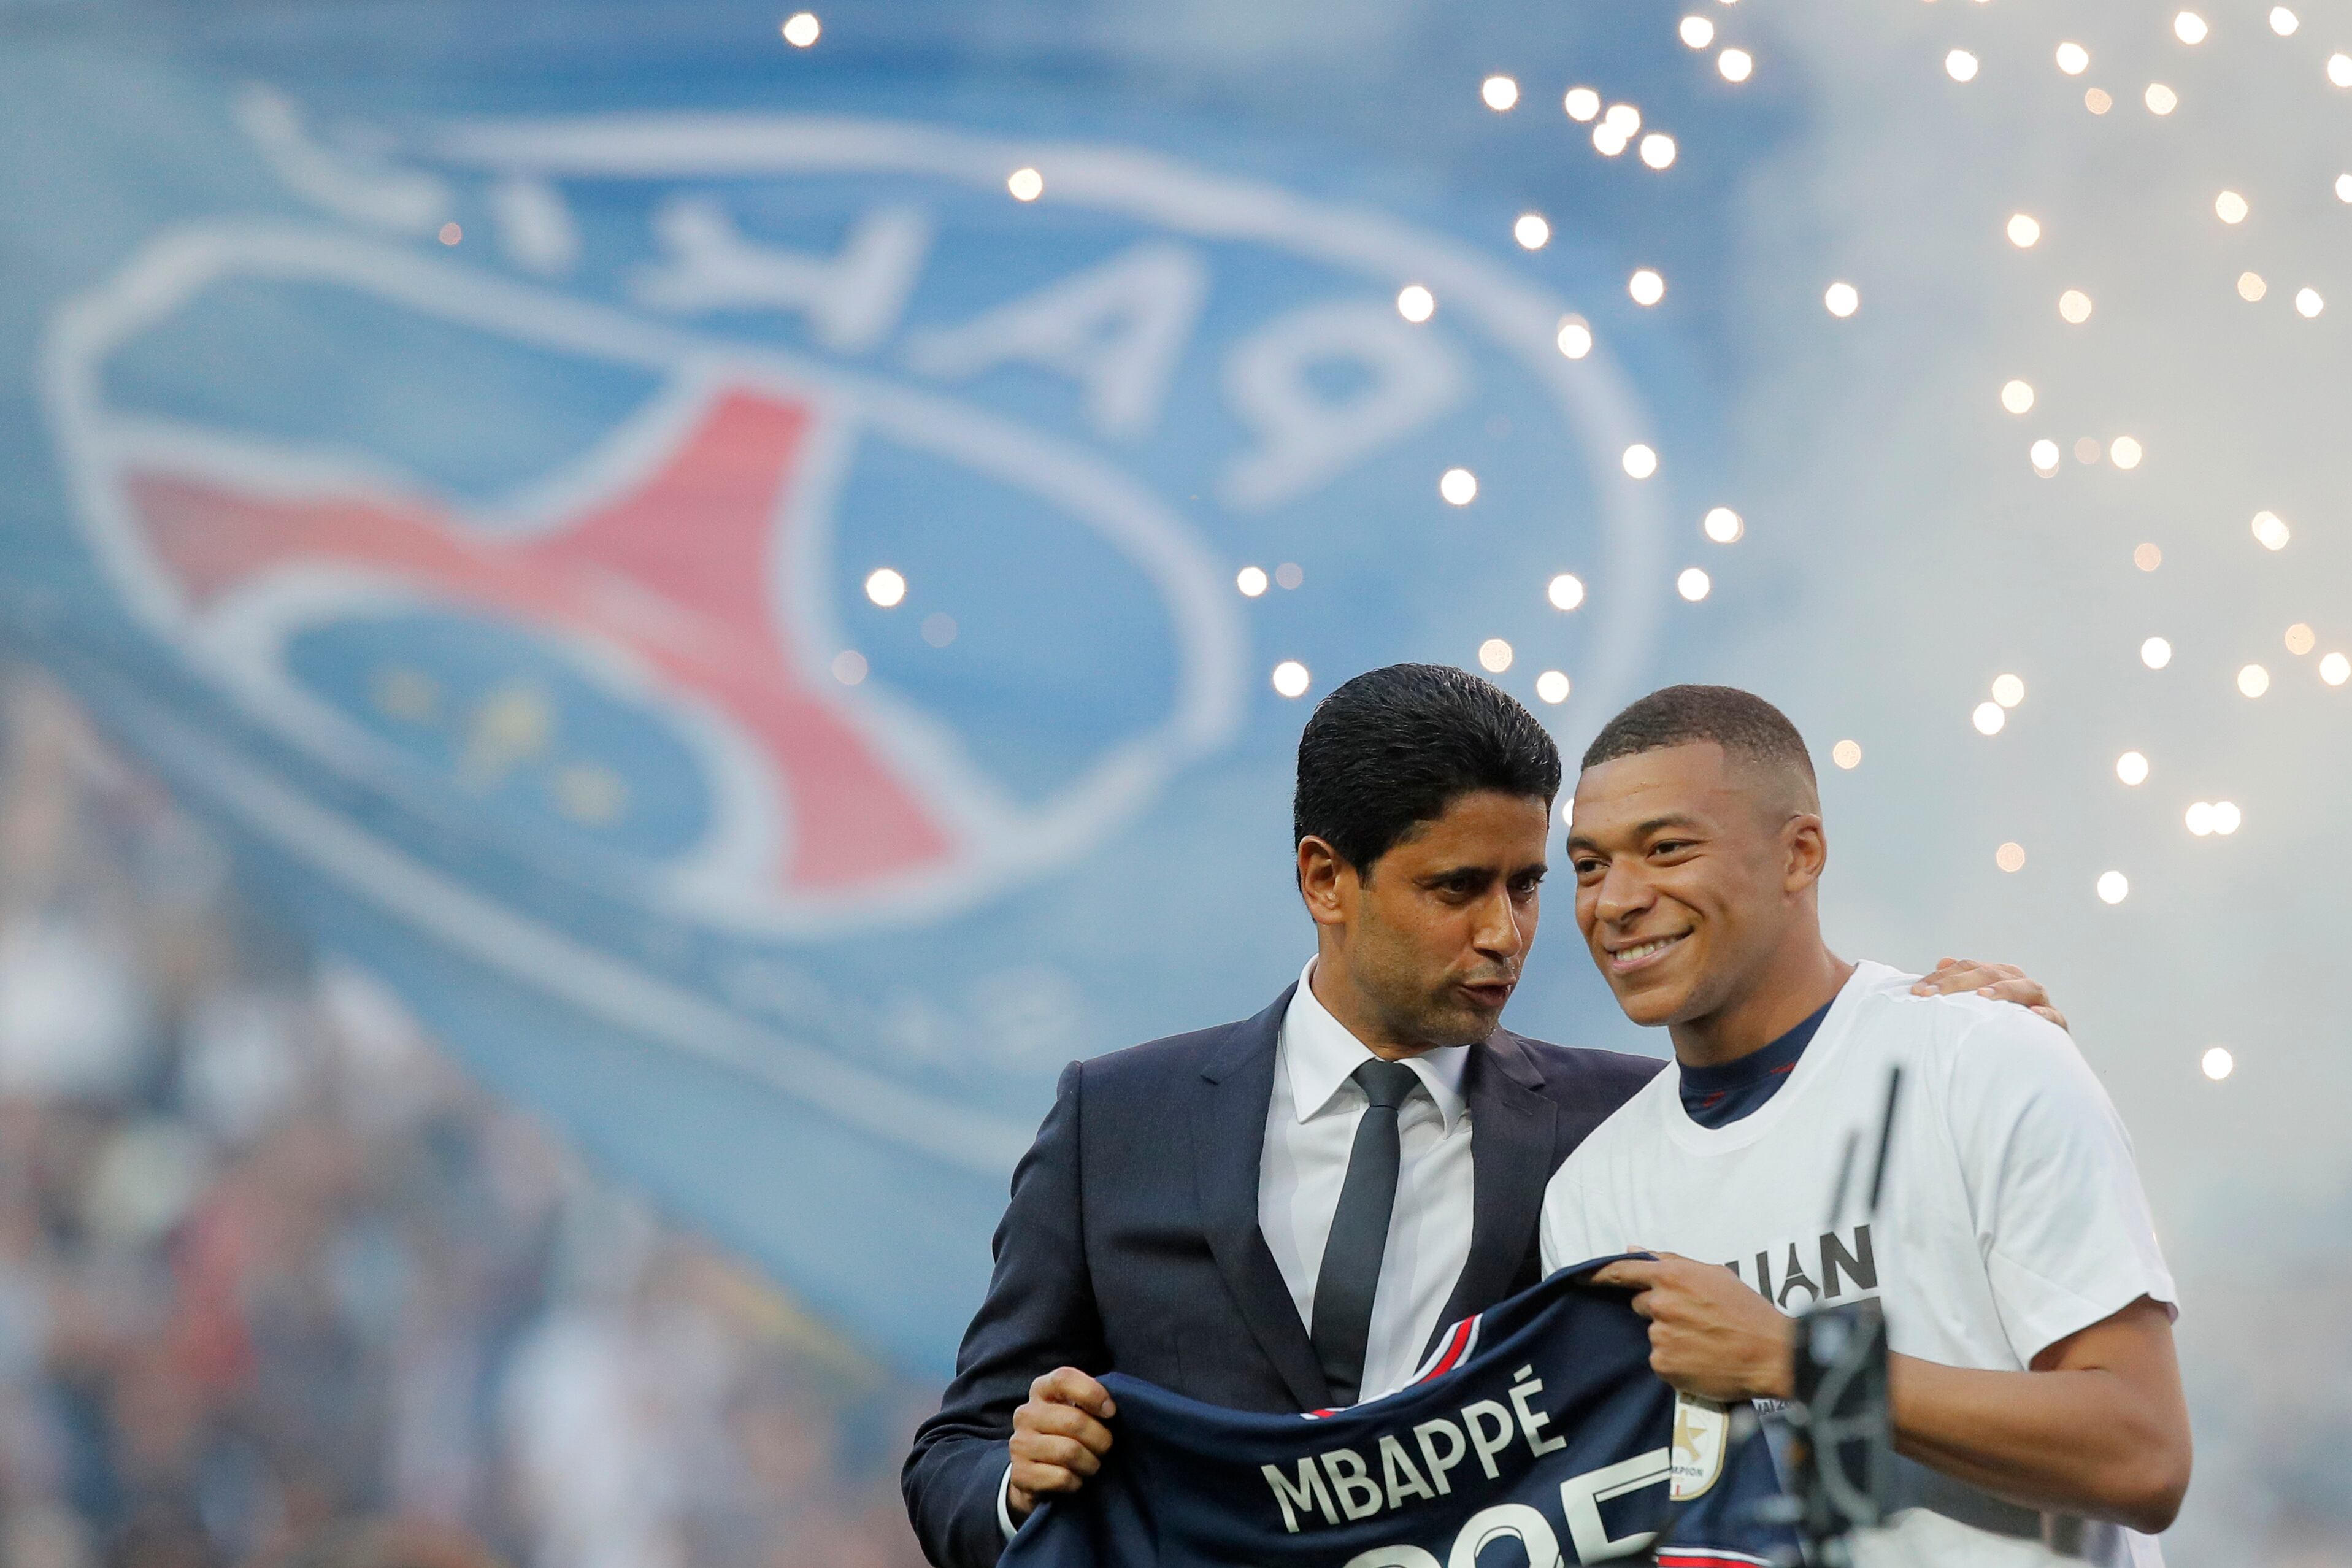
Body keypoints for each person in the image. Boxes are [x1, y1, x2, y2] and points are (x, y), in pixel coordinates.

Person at [903, 664, 2066, 1568]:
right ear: (1325, 880)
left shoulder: (1625, 1131)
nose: (1506, 934)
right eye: (1456, 889)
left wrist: (1945, 1036)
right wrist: (1019, 1480)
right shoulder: (1117, 1119)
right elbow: (955, 1451)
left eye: (1525, 885)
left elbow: (1791, 1421)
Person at [1539, 685, 2190, 1566]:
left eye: (1664, 849)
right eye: (1587, 866)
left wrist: (1797, 1360)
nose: (1615, 899)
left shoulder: (1982, 1058)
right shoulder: (1591, 1194)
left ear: (1799, 854)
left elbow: (2142, 1453)